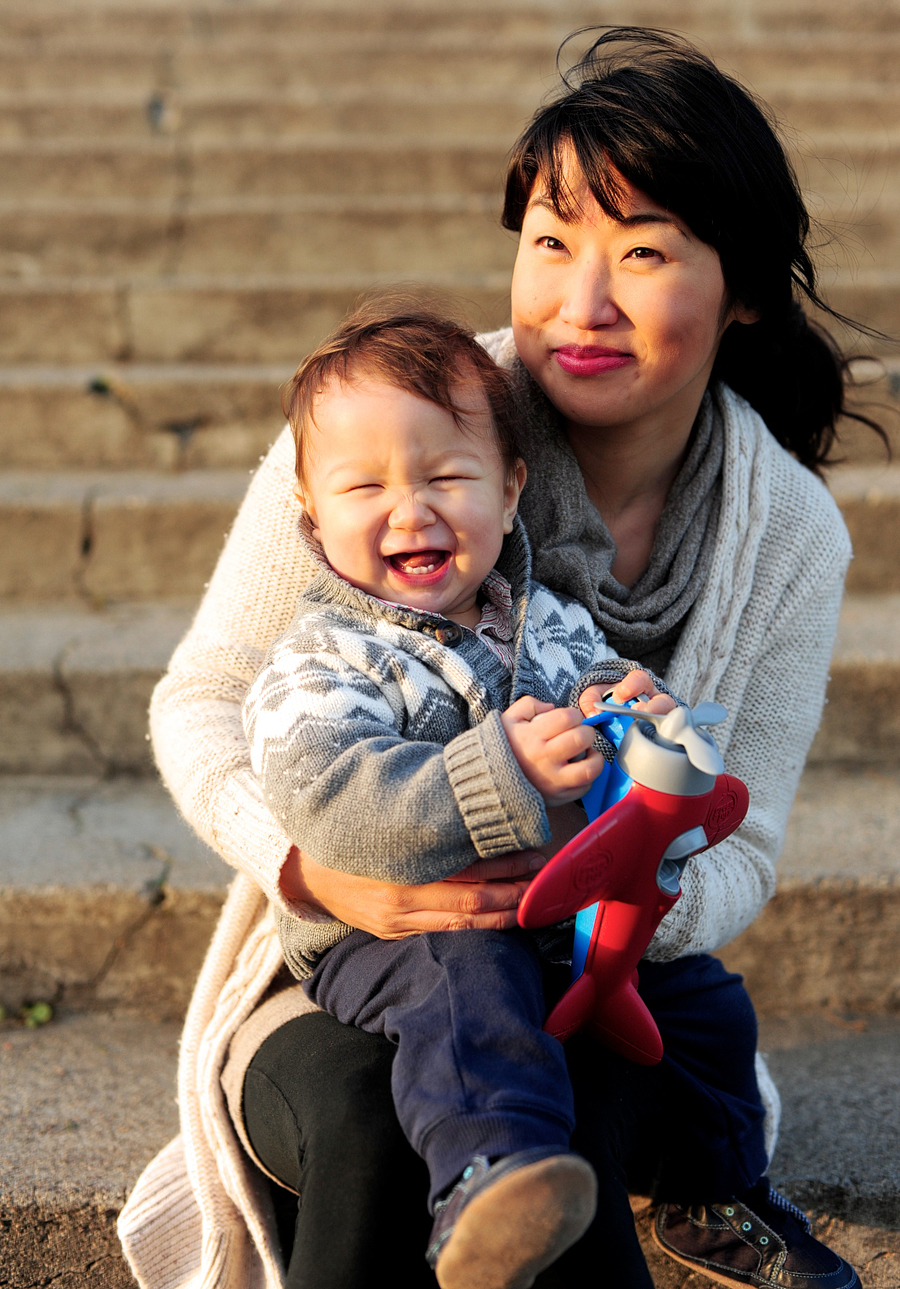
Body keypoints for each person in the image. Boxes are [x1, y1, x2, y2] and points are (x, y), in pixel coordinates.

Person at [119, 27, 878, 1289]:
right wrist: (324, 876)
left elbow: (740, 844)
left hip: (599, 971)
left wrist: (607, 882)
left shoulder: (788, 532)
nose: (582, 302)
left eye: (642, 252)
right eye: (551, 242)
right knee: (384, 1103)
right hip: (355, 956)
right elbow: (205, 699)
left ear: (741, 288)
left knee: (560, 1107)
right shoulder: (398, 426)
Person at [241, 300, 679, 1288]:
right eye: (365, 487)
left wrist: (640, 713)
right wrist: (500, 772)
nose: (411, 510)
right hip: (383, 938)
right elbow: (332, 798)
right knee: (459, 969)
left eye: (447, 476)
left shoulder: (546, 622)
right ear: (311, 514)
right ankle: (492, 1176)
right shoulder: (321, 655)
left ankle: (721, 1170)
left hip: (555, 931)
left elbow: (610, 705)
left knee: (701, 1003)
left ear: (511, 487)